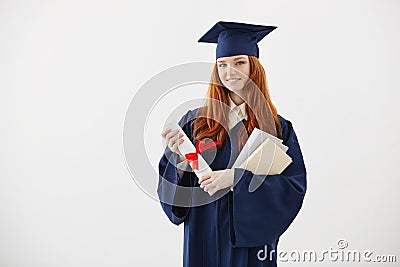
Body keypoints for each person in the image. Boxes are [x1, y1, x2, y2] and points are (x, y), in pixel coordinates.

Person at [158, 21, 307, 267]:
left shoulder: (278, 127)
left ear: (254, 67)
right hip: (202, 238)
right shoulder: (194, 122)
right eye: (222, 65)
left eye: (239, 62)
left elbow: (292, 187)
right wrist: (181, 163)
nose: (230, 72)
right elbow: (170, 192)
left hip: (251, 245)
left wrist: (237, 179)